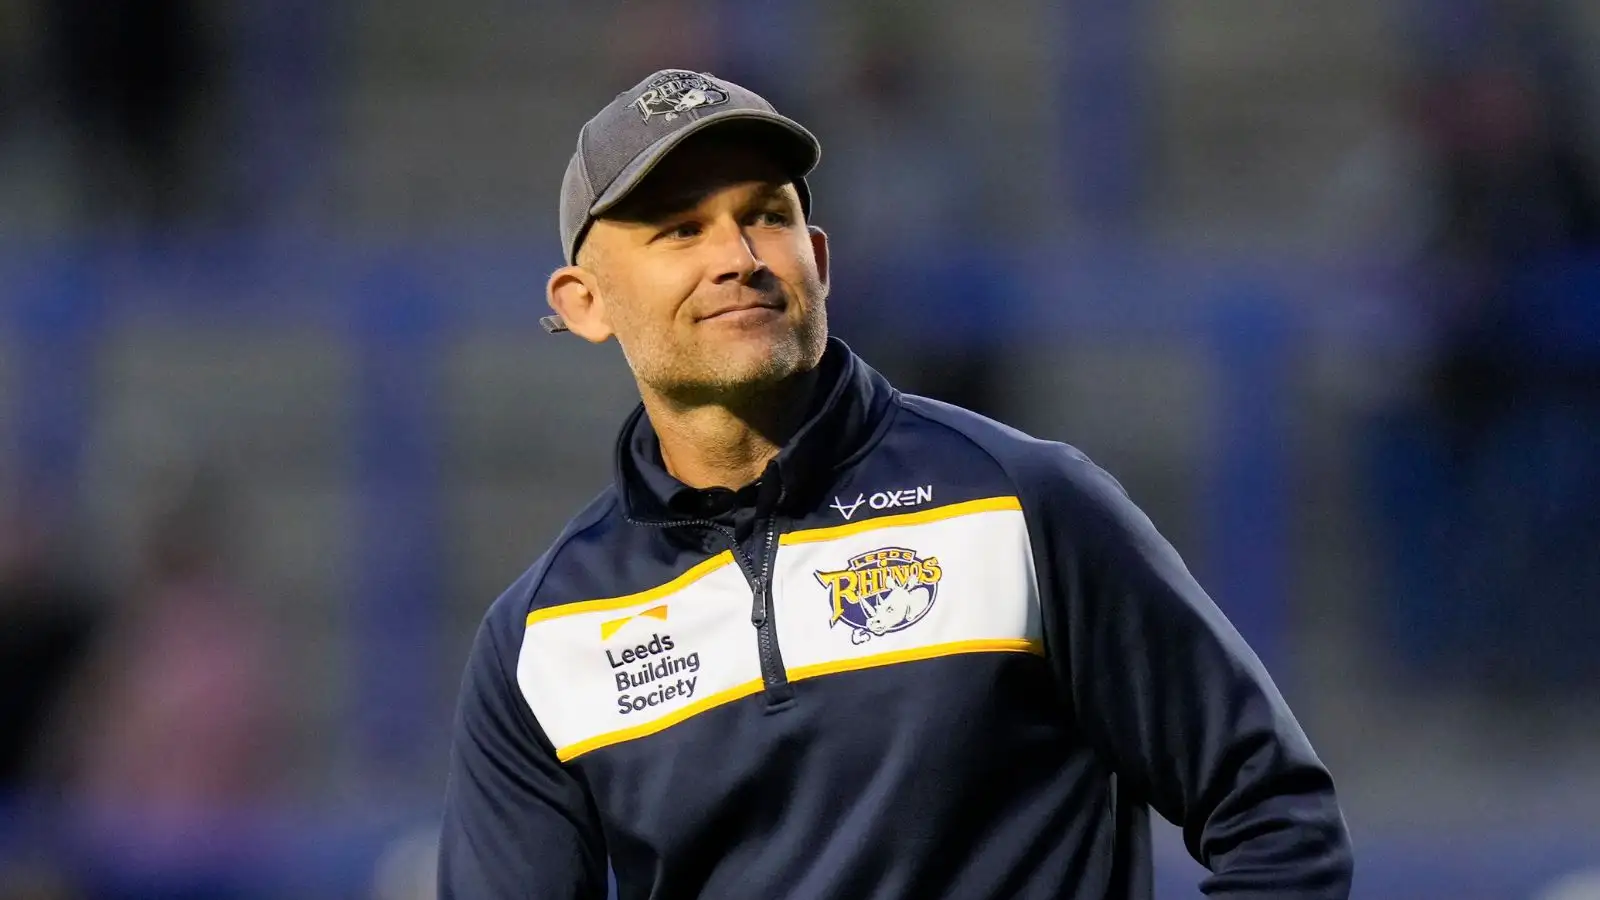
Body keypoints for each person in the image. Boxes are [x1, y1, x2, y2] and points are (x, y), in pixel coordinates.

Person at [438, 69, 1353, 899]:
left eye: (766, 215)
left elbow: (1275, 818)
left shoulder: (1020, 502)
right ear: (583, 303)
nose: (739, 256)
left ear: (820, 260)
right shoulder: (545, 637)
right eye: (682, 229)